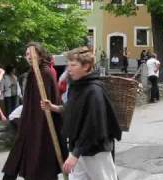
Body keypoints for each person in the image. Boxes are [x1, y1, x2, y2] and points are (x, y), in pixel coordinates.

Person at [41, 46, 122, 180]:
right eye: (68, 65)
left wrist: (75, 154)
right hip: (78, 148)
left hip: (96, 151)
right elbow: (74, 110)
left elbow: (93, 126)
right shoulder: (77, 86)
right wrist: (54, 107)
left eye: (73, 65)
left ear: (86, 66)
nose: (69, 69)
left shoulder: (94, 91)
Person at [2, 42, 66, 180]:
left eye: (32, 54)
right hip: (30, 124)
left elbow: (45, 104)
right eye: (26, 54)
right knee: (20, 160)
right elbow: (30, 103)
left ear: (41, 55)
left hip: (41, 127)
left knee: (42, 164)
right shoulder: (33, 73)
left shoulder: (45, 73)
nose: (29, 57)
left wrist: (35, 127)